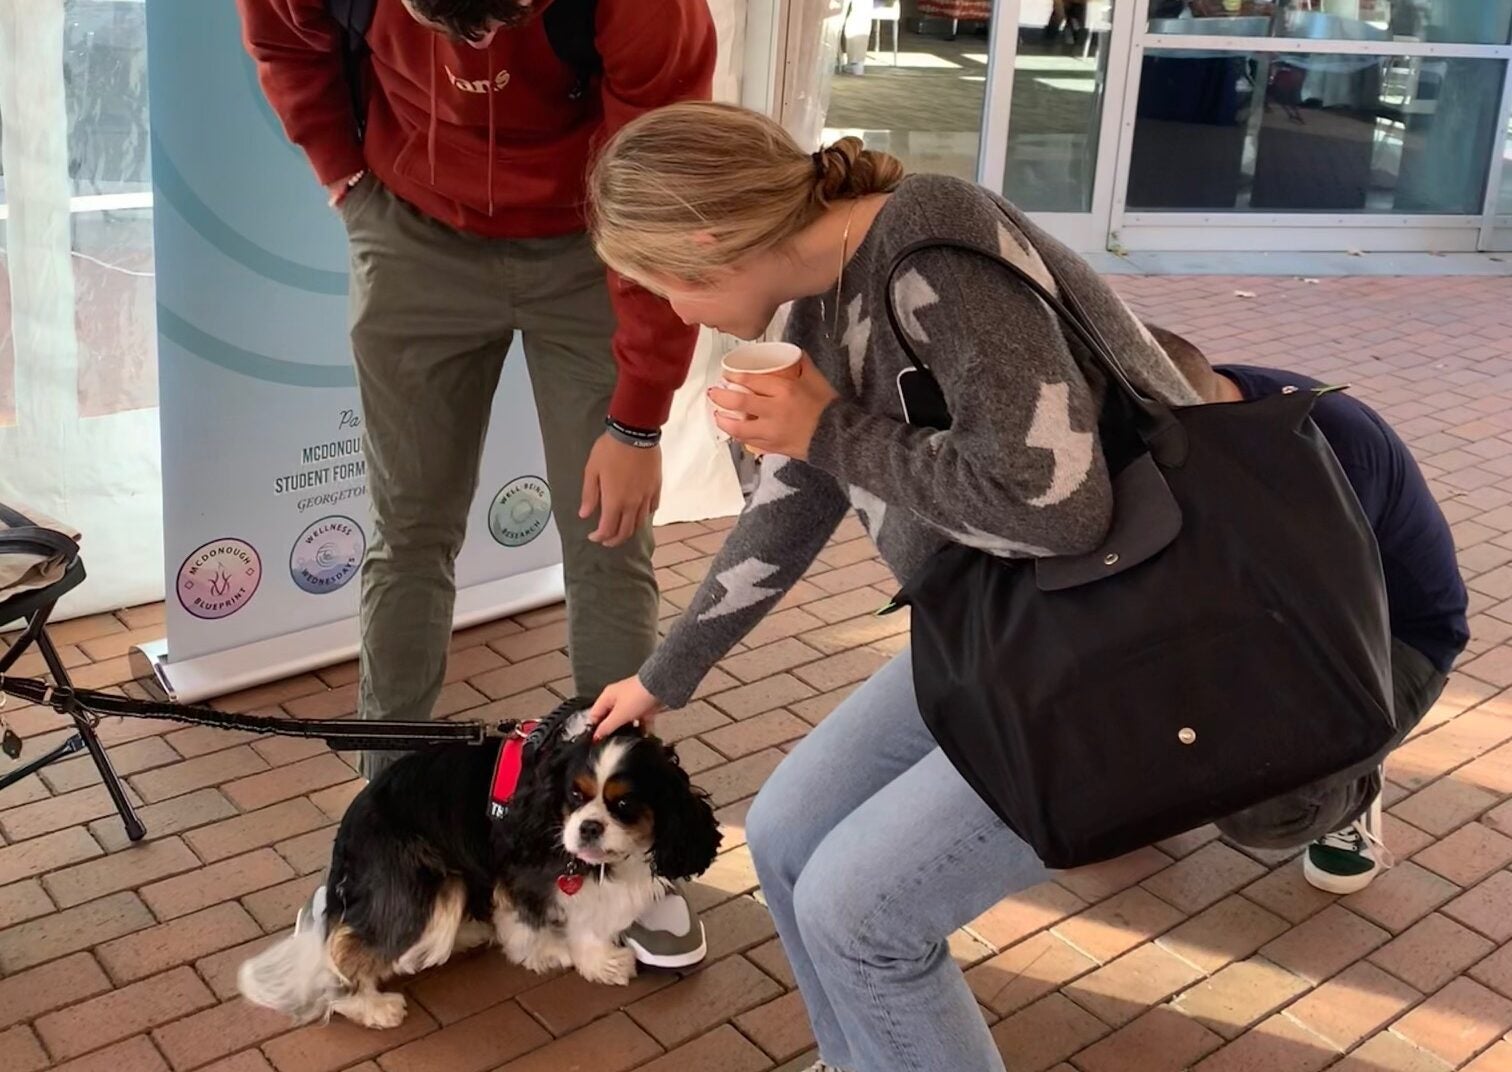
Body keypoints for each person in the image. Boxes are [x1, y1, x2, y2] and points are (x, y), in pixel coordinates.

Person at [587, 100, 1204, 1072]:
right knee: (787, 836)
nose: (675, 315)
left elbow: (1061, 509)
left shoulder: (929, 247)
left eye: (661, 288)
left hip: (1126, 649)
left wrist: (827, 429)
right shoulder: (824, 299)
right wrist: (664, 677)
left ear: (706, 245)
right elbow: (790, 509)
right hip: (1006, 629)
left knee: (858, 914)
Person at [237, 0, 716, 969]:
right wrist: (344, 178)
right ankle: (380, 848)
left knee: (609, 537)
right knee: (409, 538)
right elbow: (283, 38)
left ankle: (621, 863)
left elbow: (661, 184)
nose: (481, 54)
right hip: (414, 227)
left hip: (594, 242)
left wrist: (638, 416)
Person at [1146, 324, 1469, 893]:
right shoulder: (1193, 405)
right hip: (1274, 614)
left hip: (1385, 638)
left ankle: (1352, 788)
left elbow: (1309, 632)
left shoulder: (1330, 451)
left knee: (1262, 806)